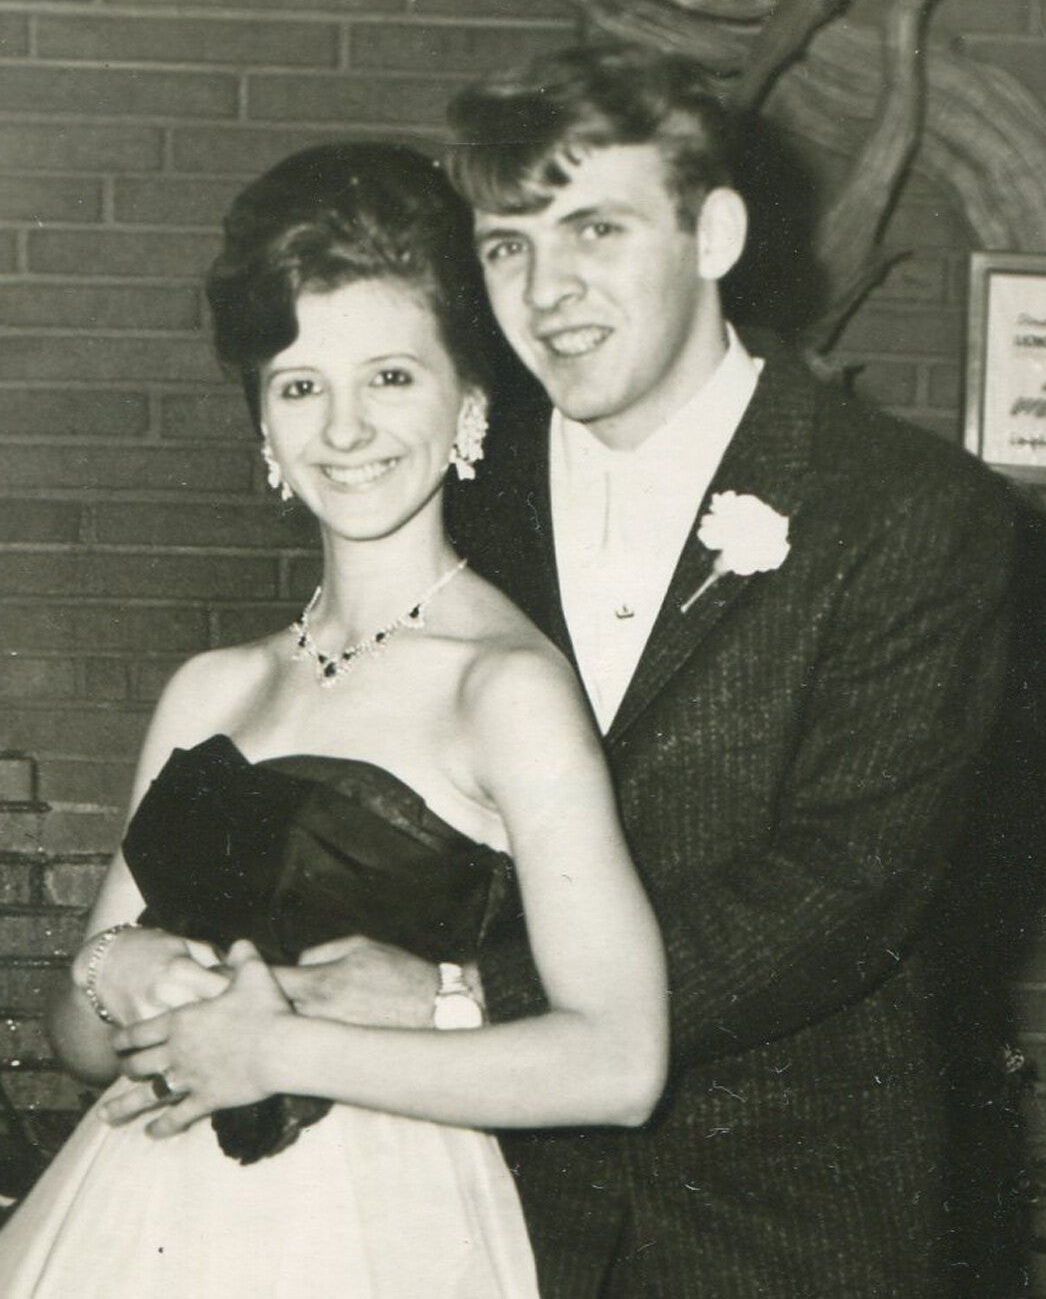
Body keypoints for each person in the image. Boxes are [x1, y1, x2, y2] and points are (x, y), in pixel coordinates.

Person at [55, 42, 1018, 1297]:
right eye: (508, 244)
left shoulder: (906, 513)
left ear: (715, 232)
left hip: (779, 1212)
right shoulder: (457, 484)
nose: (549, 287)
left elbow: (837, 895)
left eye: (596, 229)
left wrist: (451, 996)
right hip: (498, 1201)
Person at [0, 141, 668, 1298]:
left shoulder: (506, 685)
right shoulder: (213, 687)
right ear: (264, 424)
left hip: (377, 1229)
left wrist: (279, 1049)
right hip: (135, 1212)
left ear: (470, 399)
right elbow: (75, 1028)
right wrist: (125, 970)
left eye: (391, 378)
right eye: (302, 386)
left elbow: (620, 1060)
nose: (345, 428)